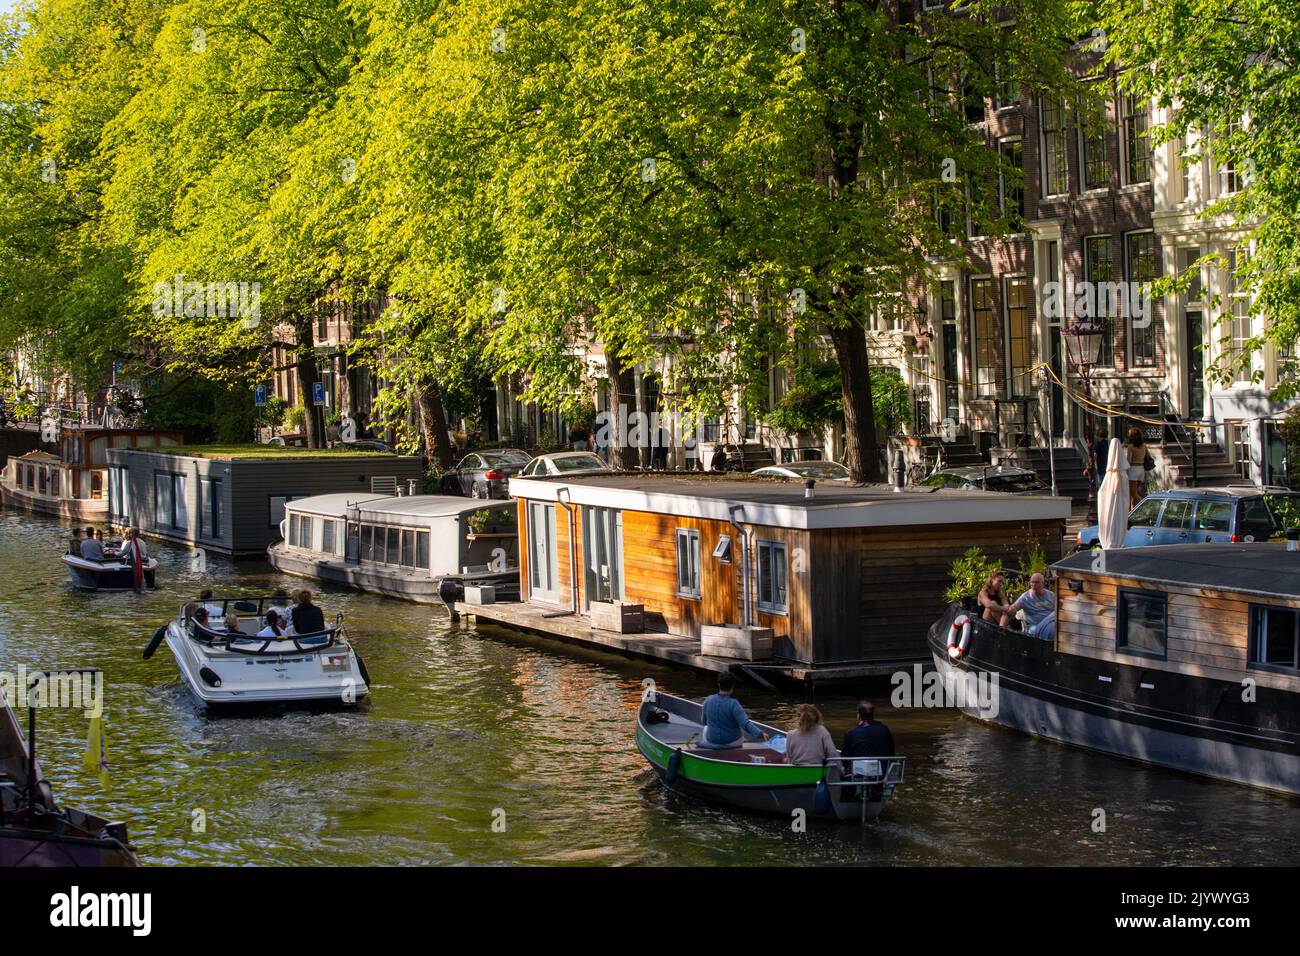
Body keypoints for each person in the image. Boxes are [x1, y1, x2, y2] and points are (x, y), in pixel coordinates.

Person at [698, 673, 769, 749]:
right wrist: (760, 733)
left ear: (718, 685)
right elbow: (745, 724)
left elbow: (703, 722)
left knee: (706, 728)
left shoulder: (708, 700)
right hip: (732, 742)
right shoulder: (734, 703)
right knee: (740, 730)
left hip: (712, 740)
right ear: (732, 687)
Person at [1008, 572, 1056, 638]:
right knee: (1054, 616)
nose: (1034, 584)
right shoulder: (1025, 597)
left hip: (1050, 624)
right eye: (1032, 582)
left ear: (1043, 583)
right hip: (1035, 627)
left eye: (1036, 582)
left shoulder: (1051, 595)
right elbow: (1014, 608)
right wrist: (1011, 609)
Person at [1125, 426, 1149, 508]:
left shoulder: (1130, 447)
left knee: (1133, 493)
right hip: (1141, 470)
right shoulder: (1144, 445)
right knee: (1134, 493)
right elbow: (1148, 456)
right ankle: (1132, 510)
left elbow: (1129, 461)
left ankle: (1146, 505)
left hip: (1133, 470)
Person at [123, 528, 148, 594]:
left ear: (132, 534)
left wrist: (115, 554)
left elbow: (123, 553)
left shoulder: (130, 542)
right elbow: (145, 553)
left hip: (135, 563)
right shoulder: (143, 542)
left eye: (130, 533)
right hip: (144, 561)